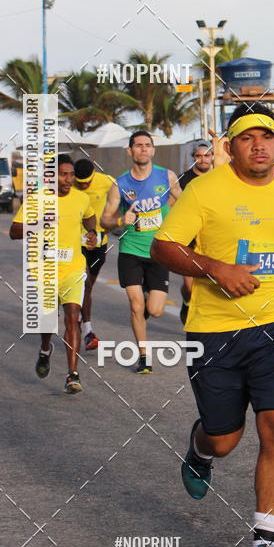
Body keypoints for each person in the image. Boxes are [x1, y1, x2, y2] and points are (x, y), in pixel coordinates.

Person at [151, 102, 274, 547]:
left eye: (268, 137)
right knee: (225, 439)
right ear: (230, 146)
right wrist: (217, 268)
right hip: (214, 333)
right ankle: (199, 447)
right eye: (248, 138)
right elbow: (163, 247)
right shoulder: (205, 190)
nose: (260, 146)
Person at [10, 154, 97, 393]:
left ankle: (72, 375)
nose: (69, 179)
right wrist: (38, 224)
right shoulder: (37, 200)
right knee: (48, 321)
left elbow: (90, 217)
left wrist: (92, 234)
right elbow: (14, 231)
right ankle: (45, 348)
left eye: (71, 174)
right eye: (63, 174)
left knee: (72, 319)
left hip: (73, 269)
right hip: (44, 271)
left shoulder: (81, 198)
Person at [100, 131, 180, 374]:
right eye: (138, 146)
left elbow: (188, 204)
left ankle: (146, 301)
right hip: (131, 250)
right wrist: (121, 220)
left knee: (155, 310)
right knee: (136, 306)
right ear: (130, 151)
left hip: (158, 250)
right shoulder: (120, 184)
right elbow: (105, 220)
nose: (143, 149)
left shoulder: (166, 177)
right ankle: (144, 357)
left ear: (153, 150)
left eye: (148, 145)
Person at [73, 159, 115, 350]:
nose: (83, 185)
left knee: (88, 287)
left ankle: (80, 315)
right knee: (85, 282)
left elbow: (123, 198)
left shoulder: (106, 181)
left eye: (87, 182)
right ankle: (89, 332)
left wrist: (111, 221)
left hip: (99, 242)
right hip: (75, 243)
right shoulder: (67, 184)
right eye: (79, 182)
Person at [178, 140, 214, 324]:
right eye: (199, 156)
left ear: (212, 157)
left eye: (206, 155)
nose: (203, 160)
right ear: (193, 158)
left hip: (212, 238)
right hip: (189, 238)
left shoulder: (219, 178)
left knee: (210, 285)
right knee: (189, 287)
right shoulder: (182, 180)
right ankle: (186, 302)